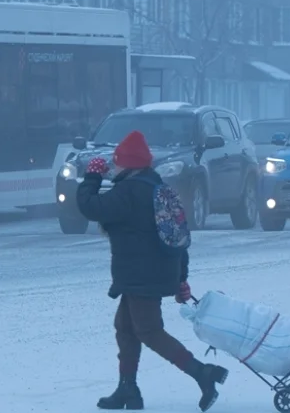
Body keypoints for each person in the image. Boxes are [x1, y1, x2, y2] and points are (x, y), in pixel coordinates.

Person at [77, 130, 229, 411]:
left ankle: (202, 373)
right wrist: (181, 278)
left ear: (129, 164)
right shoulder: (160, 188)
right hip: (153, 274)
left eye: (117, 162)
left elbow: (90, 206)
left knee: (149, 330)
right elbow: (180, 238)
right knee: (125, 327)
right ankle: (128, 389)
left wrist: (92, 176)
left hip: (140, 276)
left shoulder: (128, 192)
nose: (114, 168)